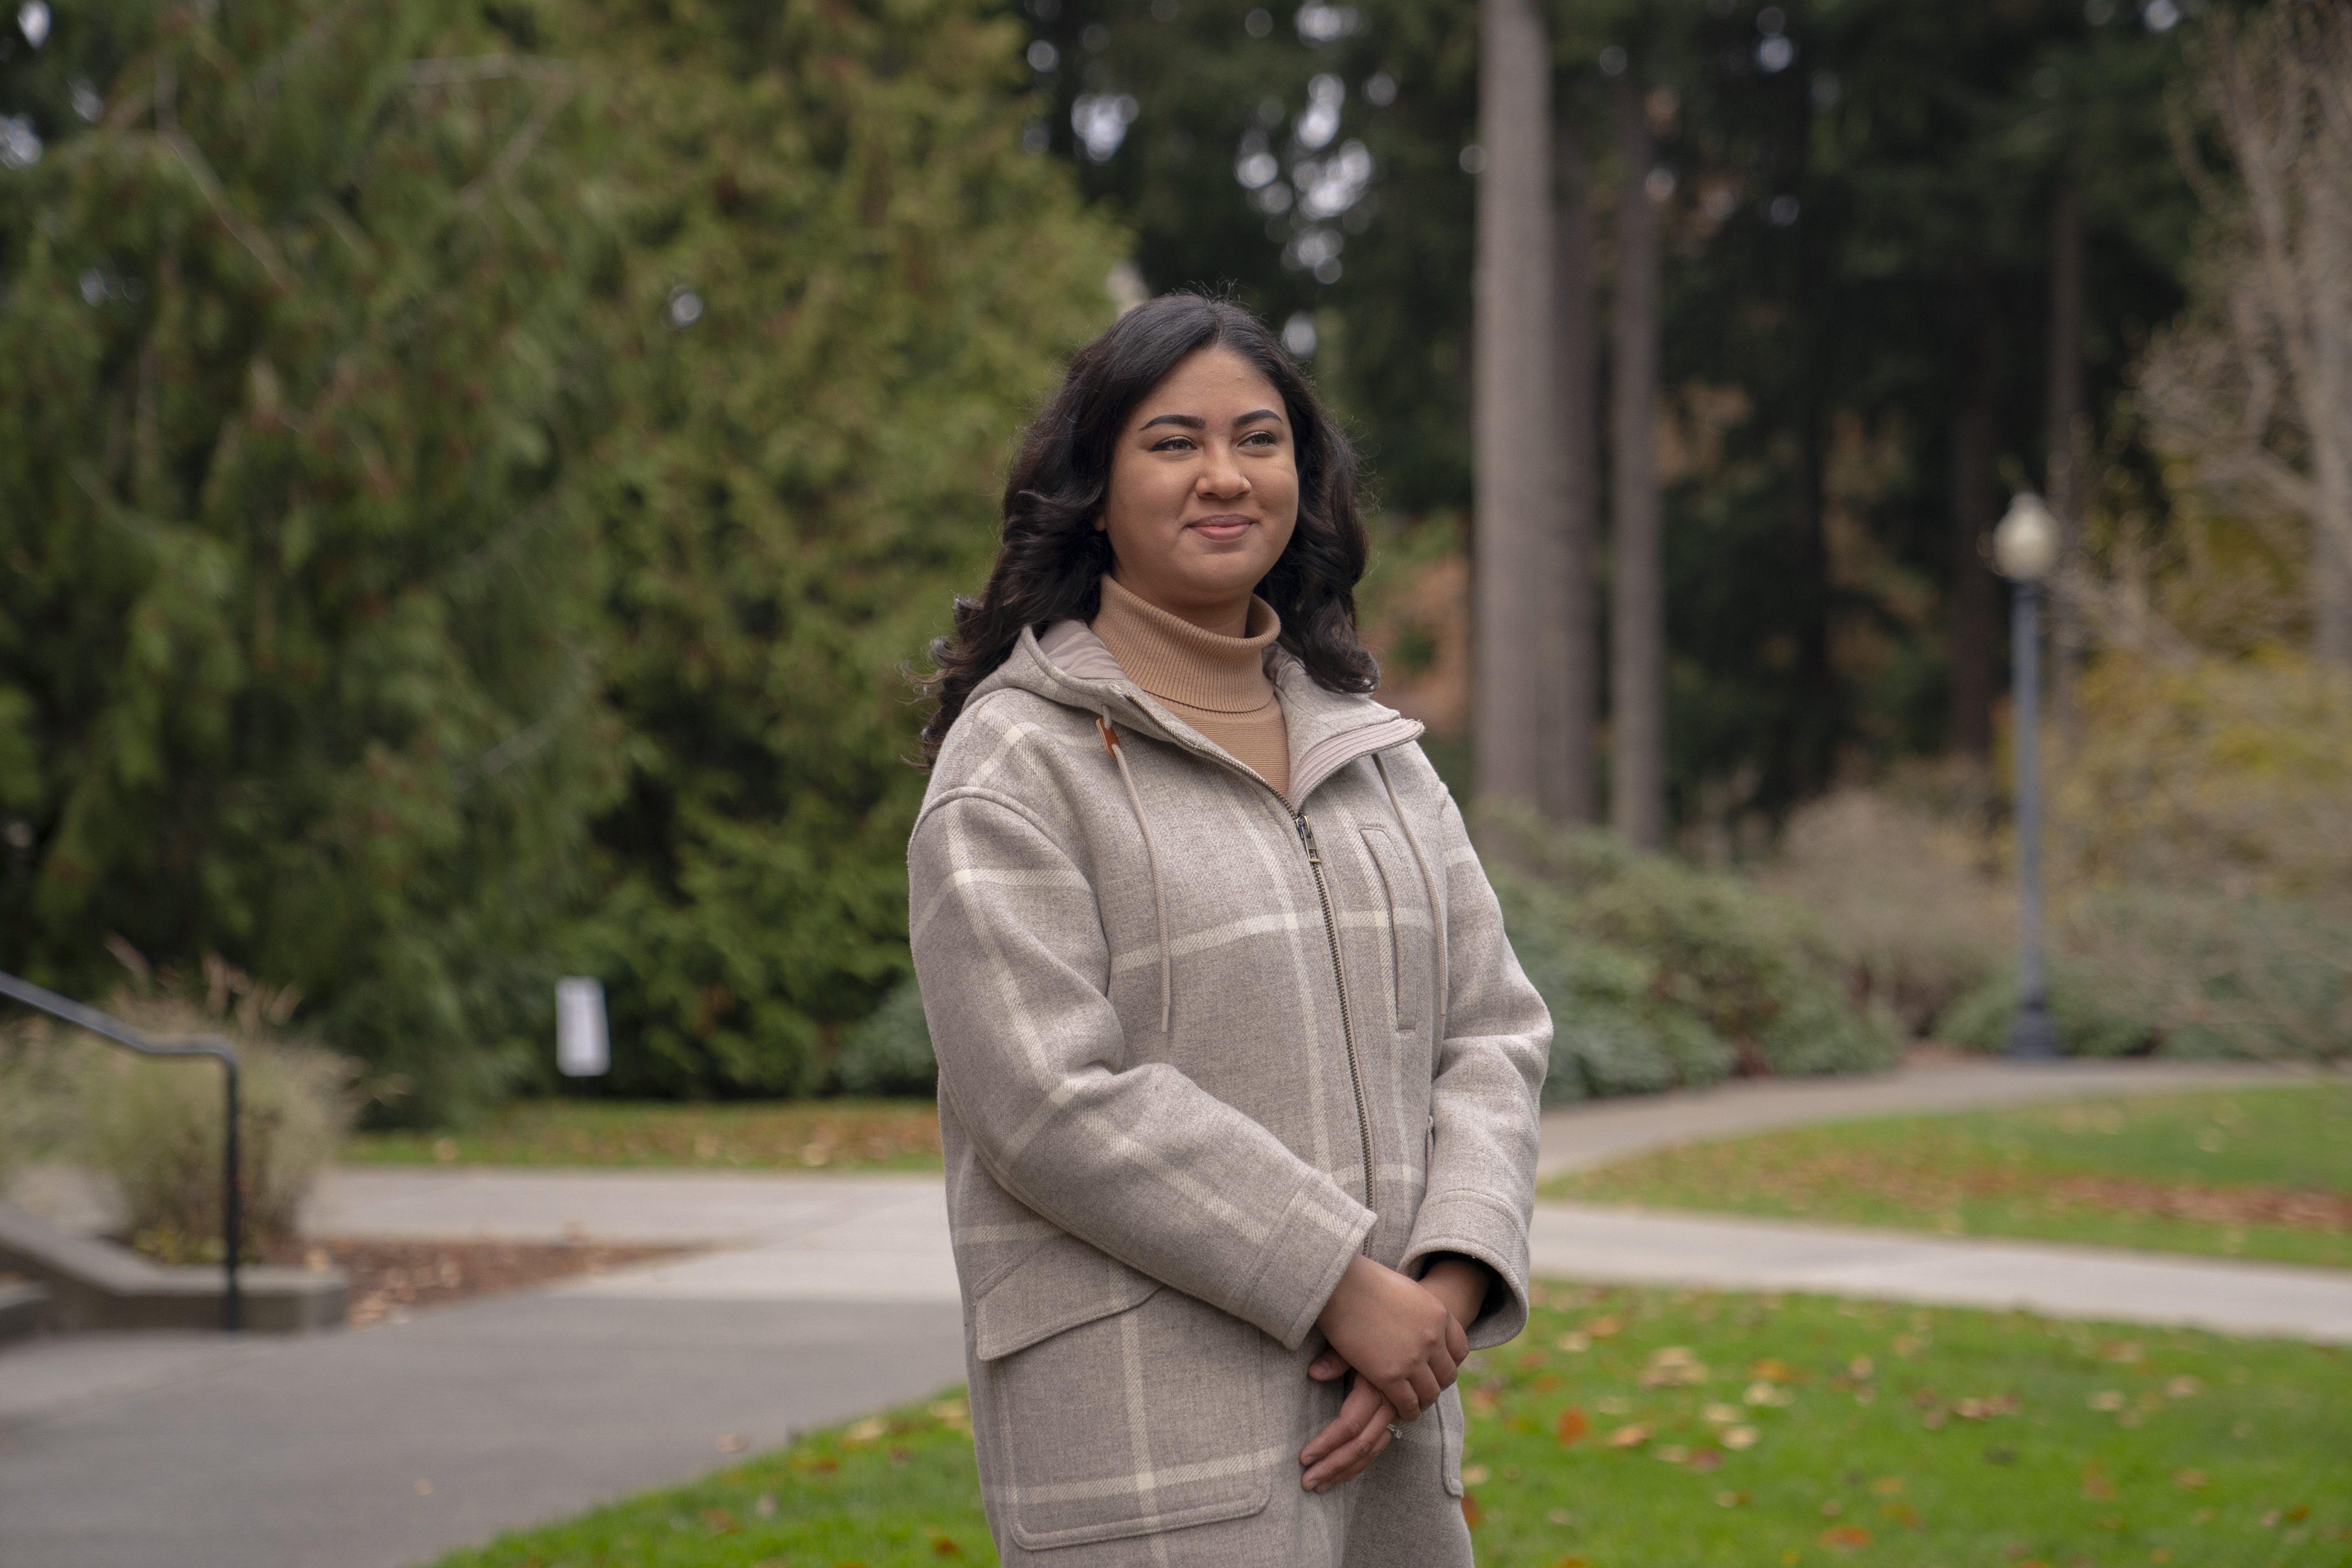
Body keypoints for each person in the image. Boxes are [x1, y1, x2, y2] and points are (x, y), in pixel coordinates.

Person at [909, 292, 1550, 1566]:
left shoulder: (1375, 753)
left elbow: (1495, 1027)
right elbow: (1049, 1097)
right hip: (1151, 1440)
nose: (1224, 476)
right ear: (1094, 486)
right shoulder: (1015, 763)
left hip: (1391, 1429)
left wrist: (1444, 1286)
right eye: (1172, 442)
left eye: (1259, 440)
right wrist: (1339, 1281)